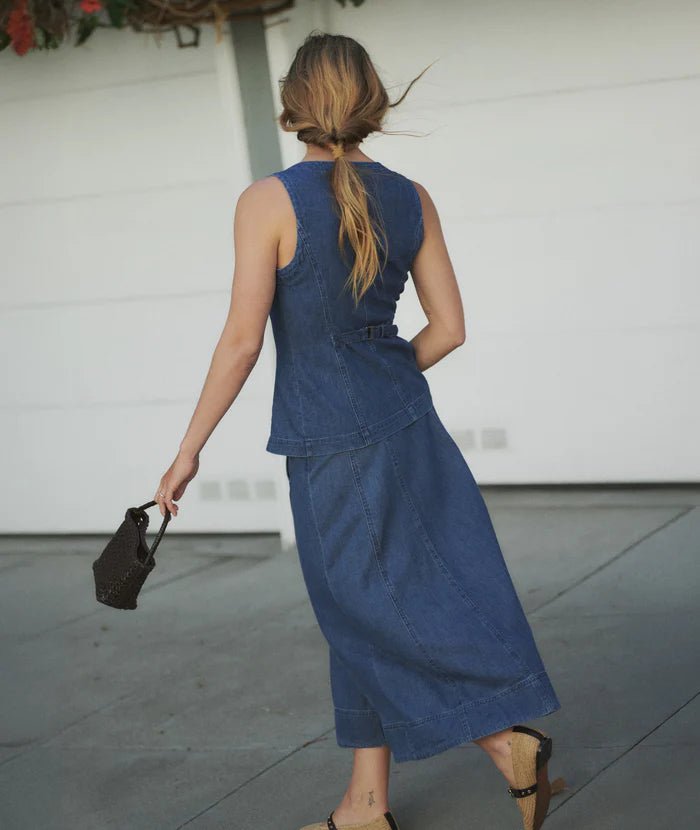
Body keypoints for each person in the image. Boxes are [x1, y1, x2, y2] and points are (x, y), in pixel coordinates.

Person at [154, 31, 564, 830]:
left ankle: (502, 740)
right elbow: (447, 329)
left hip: (330, 442)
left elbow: (242, 341)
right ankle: (364, 805)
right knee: (365, 607)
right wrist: (382, 380)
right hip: (406, 422)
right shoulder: (412, 194)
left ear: (296, 101)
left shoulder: (266, 201)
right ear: (370, 102)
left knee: (359, 608)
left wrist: (188, 450)